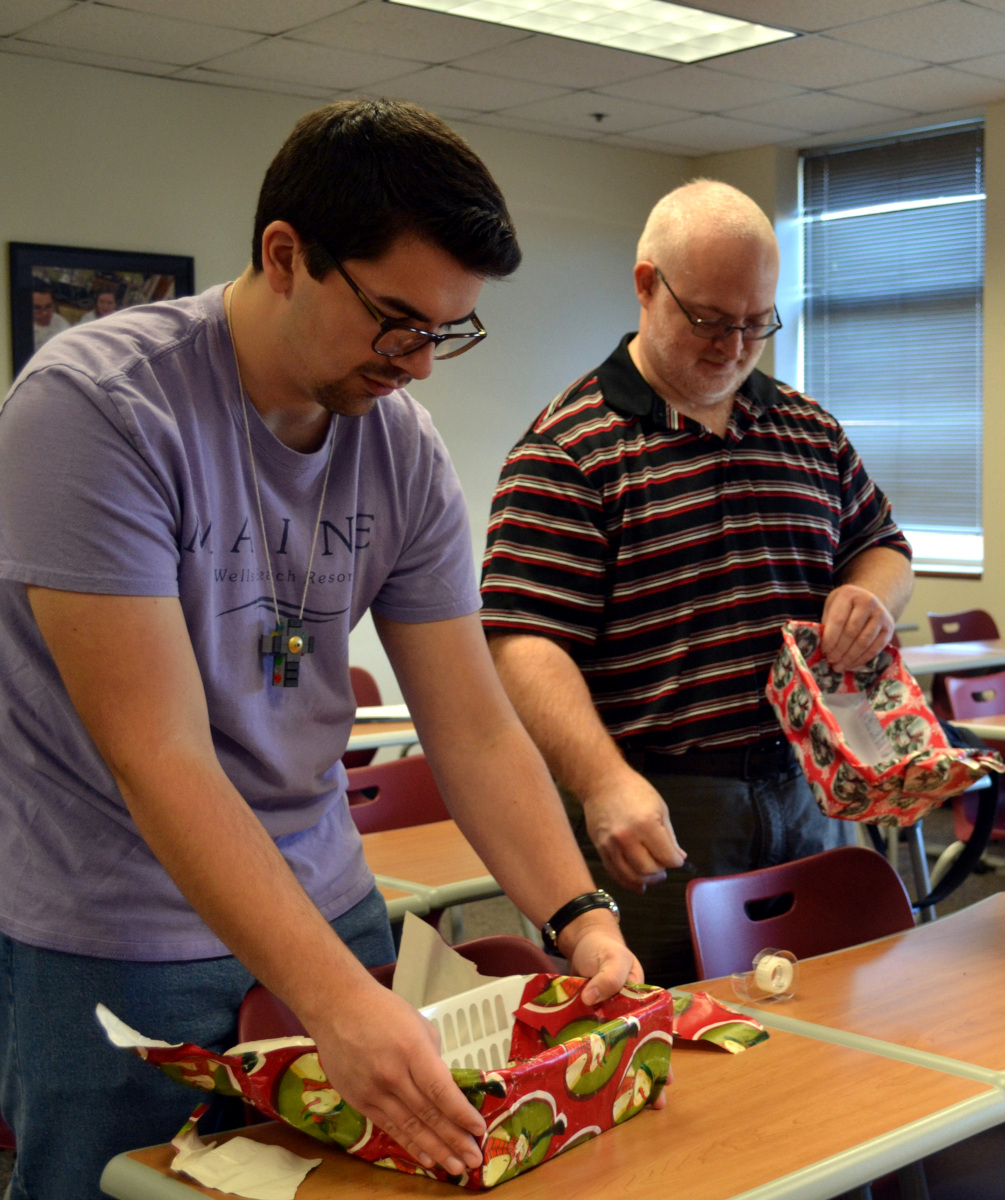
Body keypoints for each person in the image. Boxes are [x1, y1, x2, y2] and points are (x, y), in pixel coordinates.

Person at [0, 99, 641, 1197]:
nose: (422, 363)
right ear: (285, 256)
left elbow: (474, 723)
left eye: (447, 329)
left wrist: (578, 918)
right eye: (397, 320)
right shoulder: (95, 412)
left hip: (328, 903)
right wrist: (340, 1000)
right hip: (113, 933)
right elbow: (161, 757)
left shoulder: (398, 443)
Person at [481, 180, 914, 986]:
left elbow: (883, 545)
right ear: (647, 286)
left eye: (756, 324)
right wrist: (604, 783)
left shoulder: (808, 428)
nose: (733, 346)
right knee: (663, 1047)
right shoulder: (566, 450)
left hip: (805, 781)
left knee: (828, 1034)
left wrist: (872, 596)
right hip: (656, 798)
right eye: (710, 320)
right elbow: (522, 644)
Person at [29, 281, 70, 351]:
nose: (44, 313)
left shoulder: (60, 321)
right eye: (37, 308)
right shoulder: (22, 329)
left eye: (48, 306)